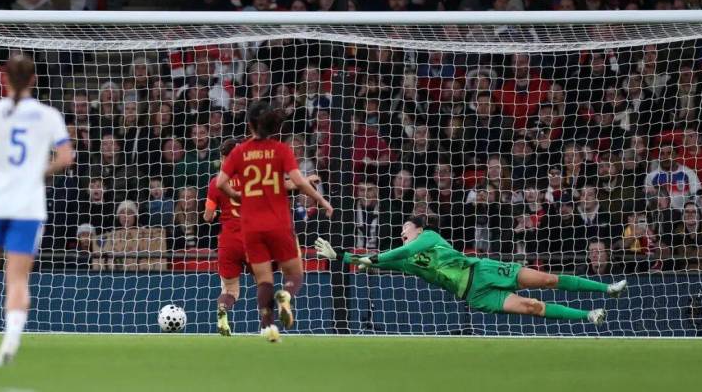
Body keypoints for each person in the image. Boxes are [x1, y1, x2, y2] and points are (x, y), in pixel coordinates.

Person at [315, 216, 627, 324]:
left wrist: (372, 260)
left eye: (406, 228)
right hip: (475, 295)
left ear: (419, 230)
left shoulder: (429, 238)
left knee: (546, 279)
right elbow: (374, 259)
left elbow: (398, 252)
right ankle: (589, 316)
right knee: (531, 307)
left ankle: (607, 288)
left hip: (484, 271)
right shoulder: (407, 262)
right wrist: (340, 255)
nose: (402, 233)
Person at [0, 55, 74, 367]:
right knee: (18, 278)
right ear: (33, 80)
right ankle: (11, 341)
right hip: (27, 205)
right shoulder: (49, 115)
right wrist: (38, 171)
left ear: (4, 79)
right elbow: (66, 157)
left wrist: (2, 165)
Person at [216, 102, 333, 342]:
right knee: (294, 275)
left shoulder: (240, 152)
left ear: (250, 125)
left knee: (263, 280)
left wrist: (237, 196)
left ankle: (268, 328)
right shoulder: (281, 150)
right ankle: (286, 296)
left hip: (251, 226)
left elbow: (220, 183)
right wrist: (321, 200)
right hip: (279, 224)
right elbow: (298, 182)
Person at [204, 138, 321, 336]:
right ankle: (266, 326)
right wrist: (306, 180)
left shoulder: (216, 183)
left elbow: (207, 217)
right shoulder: (254, 178)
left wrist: (215, 213)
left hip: (229, 242)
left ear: (223, 158)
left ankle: (223, 310)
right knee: (264, 283)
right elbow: (286, 185)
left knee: (230, 290)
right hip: (254, 239)